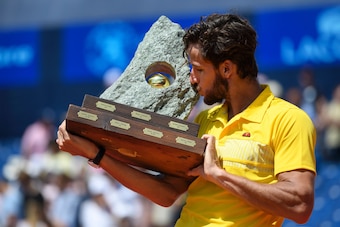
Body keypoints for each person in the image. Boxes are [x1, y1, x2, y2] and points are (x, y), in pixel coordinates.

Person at [56, 13, 316, 226]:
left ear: (227, 69)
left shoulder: (289, 119)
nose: (192, 79)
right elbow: (167, 193)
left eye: (199, 70)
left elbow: (299, 205)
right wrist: (95, 153)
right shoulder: (204, 120)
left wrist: (217, 174)